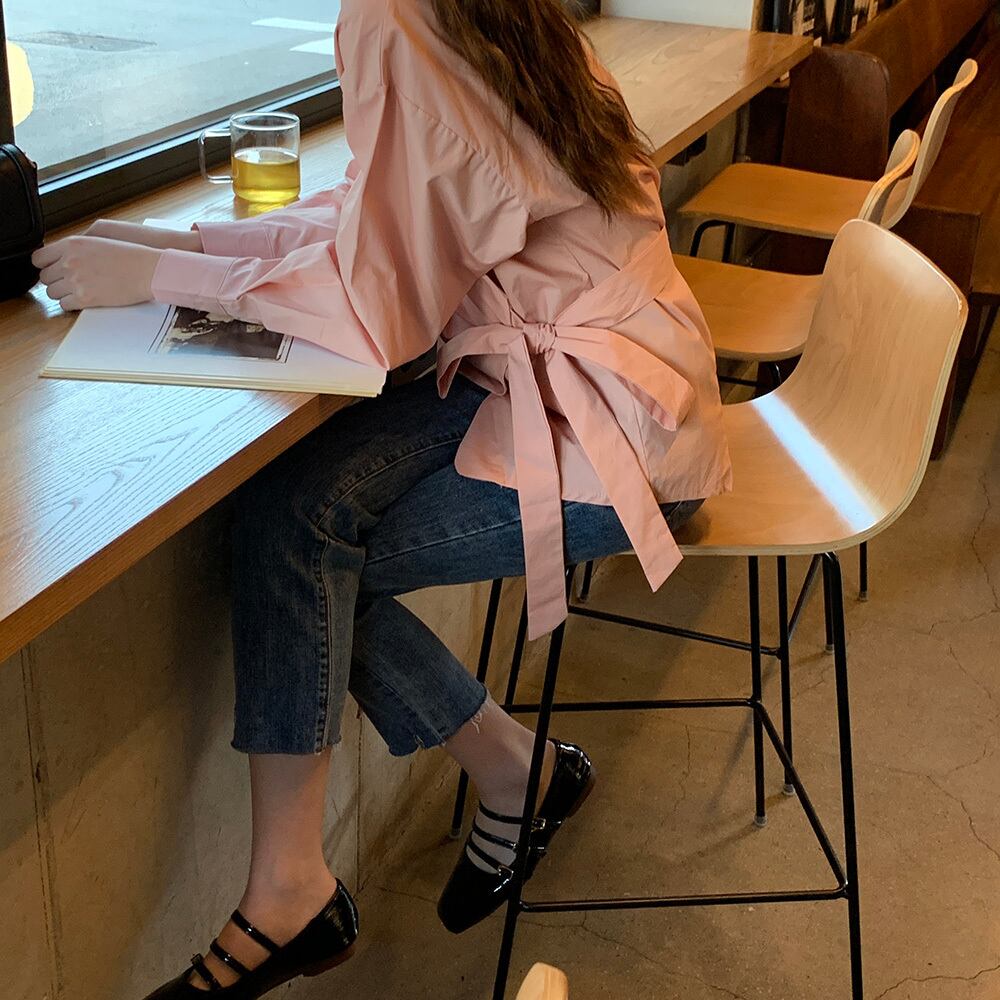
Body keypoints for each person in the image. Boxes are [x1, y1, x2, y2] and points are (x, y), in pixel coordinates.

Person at [32, 0, 732, 996]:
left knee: (298, 544)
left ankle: (298, 887)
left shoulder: (394, 17)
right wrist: (187, 246)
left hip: (615, 440)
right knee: (295, 529)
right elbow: (384, 212)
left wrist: (163, 272)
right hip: (620, 382)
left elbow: (376, 307)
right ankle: (507, 775)